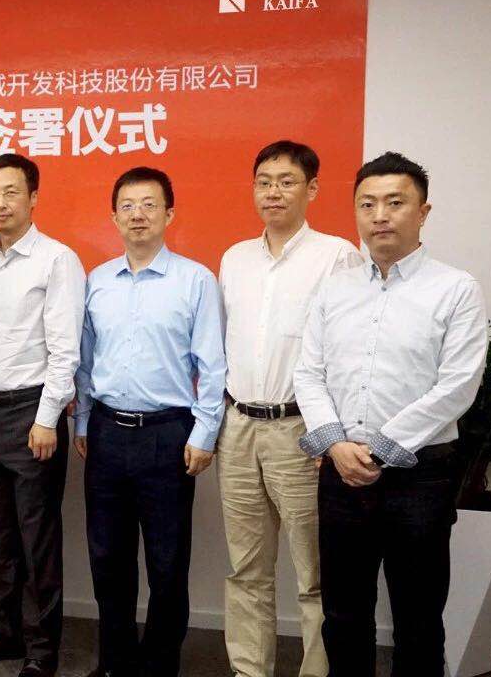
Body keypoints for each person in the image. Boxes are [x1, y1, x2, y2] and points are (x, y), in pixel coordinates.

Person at [294, 152, 488, 677]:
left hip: (419, 477)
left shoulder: (456, 289)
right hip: (340, 473)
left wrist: (376, 449)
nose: (380, 215)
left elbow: (457, 385)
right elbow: (307, 373)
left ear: (423, 212)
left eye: (395, 202)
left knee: (418, 616)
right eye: (367, 204)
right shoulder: (333, 288)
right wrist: (336, 445)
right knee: (342, 614)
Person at [217, 141, 363, 677]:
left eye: (286, 181)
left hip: (301, 430)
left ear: (312, 189)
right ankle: (248, 670)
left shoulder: (337, 257)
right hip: (237, 426)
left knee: (313, 573)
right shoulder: (234, 258)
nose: (273, 192)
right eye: (264, 182)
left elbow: (350, 355)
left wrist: (333, 434)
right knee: (246, 569)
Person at [74, 167, 226, 677]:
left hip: (169, 435)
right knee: (107, 559)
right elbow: (86, 362)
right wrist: (82, 424)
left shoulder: (195, 280)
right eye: (127, 205)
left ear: (169, 214)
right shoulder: (97, 281)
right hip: (106, 433)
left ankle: (160, 665)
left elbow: (213, 365)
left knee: (167, 562)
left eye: (149, 205)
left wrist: (204, 434)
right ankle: (115, 661)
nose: (137, 214)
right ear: (114, 216)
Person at [0, 154, 85, 677]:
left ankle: (42, 648)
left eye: (11, 192)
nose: (0, 203)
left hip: (33, 413)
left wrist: (48, 418)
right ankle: (2, 634)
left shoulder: (57, 260)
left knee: (37, 540)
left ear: (33, 198)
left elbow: (65, 349)